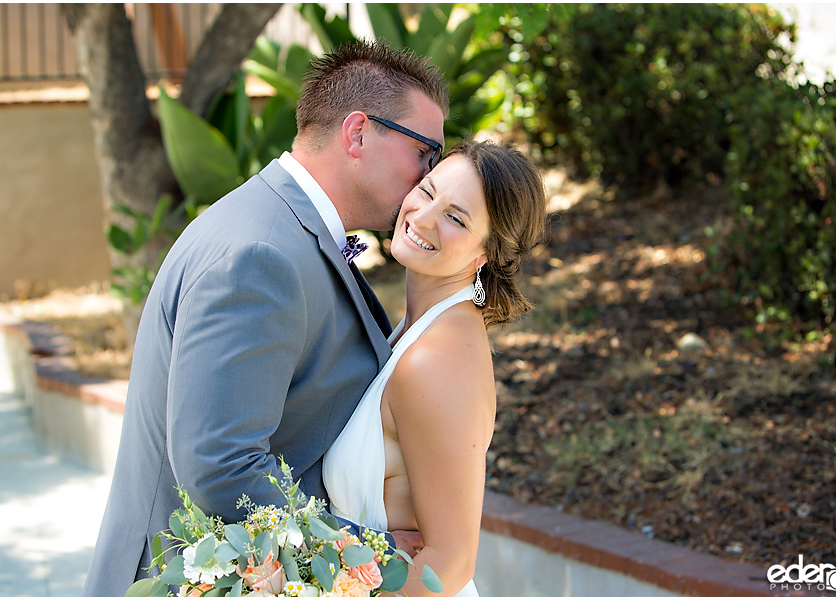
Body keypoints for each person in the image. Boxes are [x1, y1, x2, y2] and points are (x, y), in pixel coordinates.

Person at [82, 40, 448, 597]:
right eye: (427, 154)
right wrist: (368, 553)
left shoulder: (281, 229)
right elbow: (221, 465)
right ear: (357, 134)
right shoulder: (260, 255)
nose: (429, 179)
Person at [323, 139, 548, 596]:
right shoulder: (421, 326)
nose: (423, 218)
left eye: (456, 217)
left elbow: (452, 561)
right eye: (427, 192)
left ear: (487, 253)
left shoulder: (435, 362)